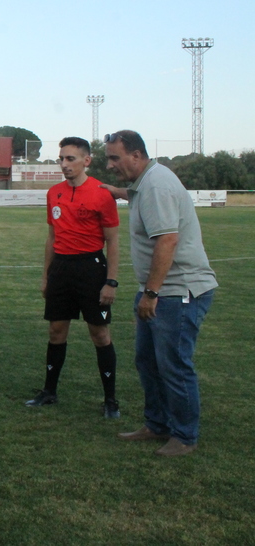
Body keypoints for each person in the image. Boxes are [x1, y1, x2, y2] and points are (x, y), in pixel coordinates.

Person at [103, 130, 217, 457]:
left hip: (177, 292)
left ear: (136, 156)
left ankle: (184, 437)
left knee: (173, 365)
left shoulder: (156, 185)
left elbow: (168, 241)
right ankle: (157, 425)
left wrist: (151, 293)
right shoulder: (145, 183)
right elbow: (137, 194)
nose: (110, 164)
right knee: (148, 362)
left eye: (115, 157)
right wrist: (118, 192)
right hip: (159, 292)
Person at [25, 137, 121, 417]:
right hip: (61, 269)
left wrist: (110, 281)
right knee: (56, 332)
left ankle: (110, 400)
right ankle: (49, 391)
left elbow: (112, 242)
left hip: (91, 269)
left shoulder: (101, 193)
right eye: (61, 159)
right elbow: (51, 237)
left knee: (100, 334)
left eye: (70, 159)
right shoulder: (53, 192)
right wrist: (46, 275)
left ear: (86, 161)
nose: (64, 164)